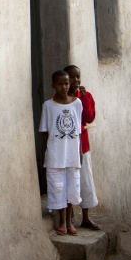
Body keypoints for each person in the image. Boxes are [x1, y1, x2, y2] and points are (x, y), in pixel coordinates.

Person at [39, 70, 83, 236]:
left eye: (66, 83)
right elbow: (45, 132)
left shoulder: (77, 103)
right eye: (60, 84)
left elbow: (78, 131)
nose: (64, 87)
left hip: (72, 154)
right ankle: (62, 221)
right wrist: (49, 152)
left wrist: (79, 153)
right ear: (53, 86)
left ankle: (70, 222)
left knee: (72, 186)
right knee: (58, 187)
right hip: (56, 155)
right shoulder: (48, 106)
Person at [65, 64, 100, 230]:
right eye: (72, 78)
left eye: (78, 77)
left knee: (85, 179)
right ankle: (69, 216)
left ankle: (86, 216)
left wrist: (84, 98)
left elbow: (89, 117)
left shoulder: (85, 96)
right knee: (69, 180)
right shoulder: (61, 98)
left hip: (83, 146)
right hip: (66, 147)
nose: (76, 80)